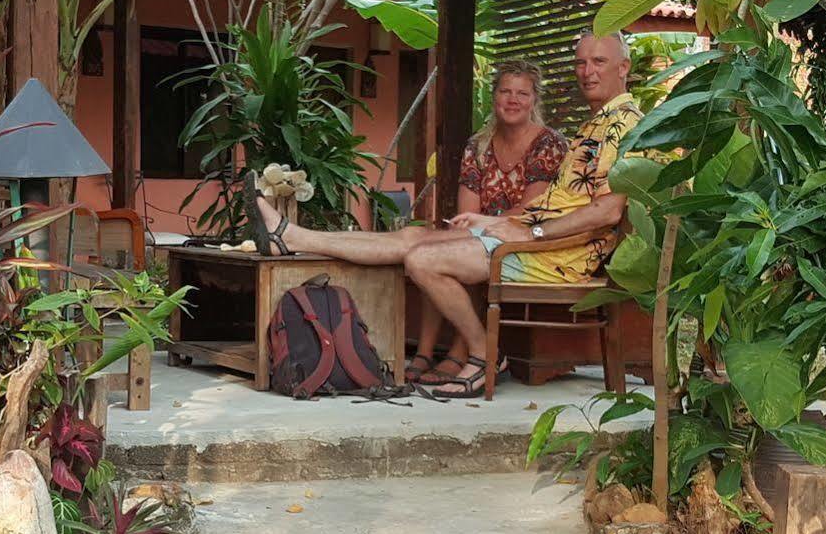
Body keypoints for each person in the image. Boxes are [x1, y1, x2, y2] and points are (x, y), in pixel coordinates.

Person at [250, 32, 643, 398]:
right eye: (580, 62)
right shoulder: (595, 123)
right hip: (535, 239)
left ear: (623, 67)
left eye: (599, 62)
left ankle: (482, 355)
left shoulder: (625, 126)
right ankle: (293, 236)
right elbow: (561, 202)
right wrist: (494, 223)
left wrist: (533, 235)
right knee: (411, 239)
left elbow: (609, 210)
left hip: (557, 256)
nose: (587, 72)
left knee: (423, 259)